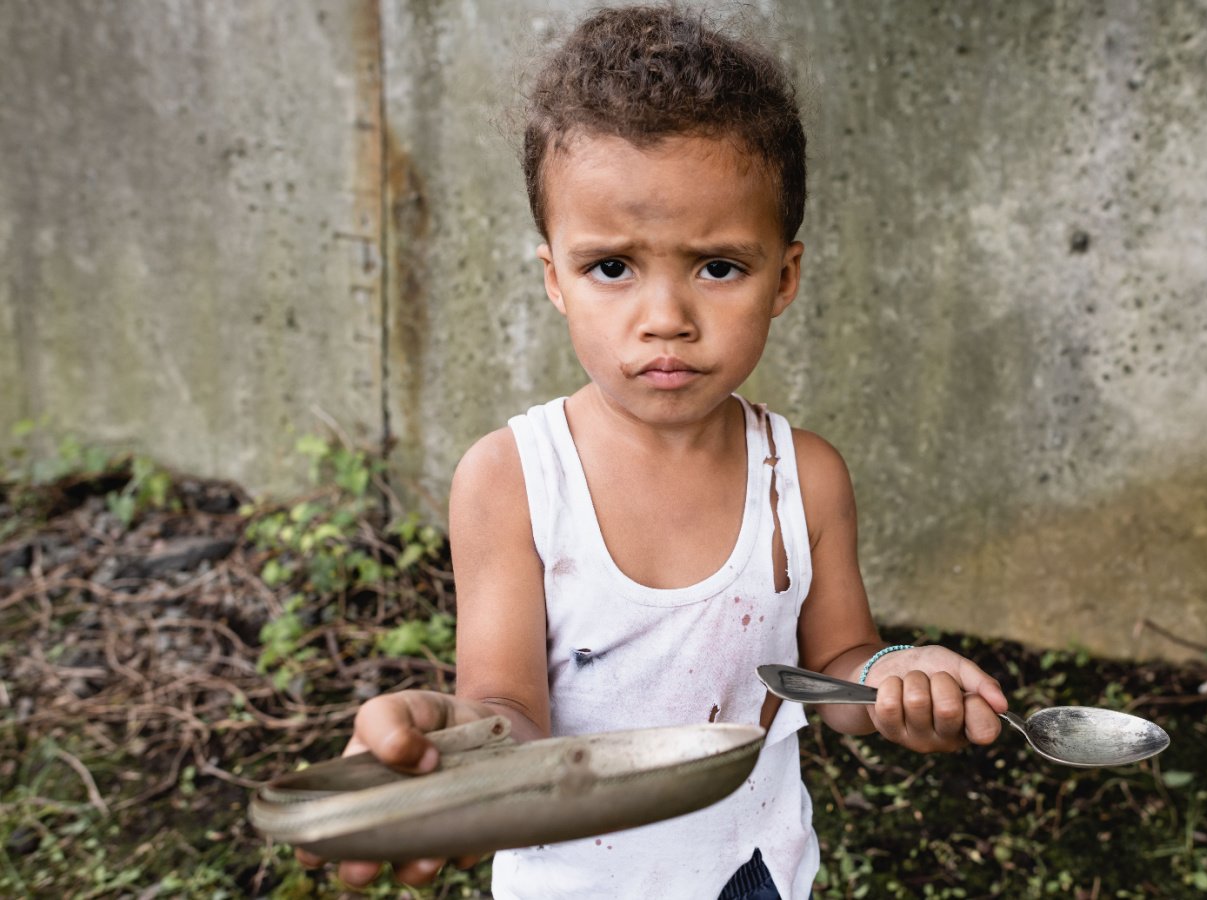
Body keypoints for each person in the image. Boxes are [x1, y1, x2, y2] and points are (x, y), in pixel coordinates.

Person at [296, 6, 1008, 897]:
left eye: (717, 266)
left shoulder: (806, 479)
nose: (665, 317)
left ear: (783, 277)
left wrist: (894, 678)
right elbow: (510, 712)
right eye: (611, 268)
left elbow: (836, 664)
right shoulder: (513, 480)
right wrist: (455, 739)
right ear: (554, 276)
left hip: (752, 872)